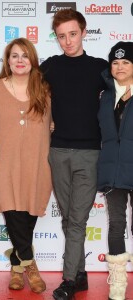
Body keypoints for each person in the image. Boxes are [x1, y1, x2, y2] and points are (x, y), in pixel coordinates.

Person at [39, 9, 108, 300]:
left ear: (83, 32)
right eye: (61, 36)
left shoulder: (100, 67)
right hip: (56, 152)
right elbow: (19, 84)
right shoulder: (51, 66)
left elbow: (124, 93)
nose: (67, 41)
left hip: (89, 154)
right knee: (68, 218)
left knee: (76, 220)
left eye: (72, 34)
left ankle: (68, 280)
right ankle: (80, 275)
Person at [0, 38, 52, 294]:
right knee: (14, 217)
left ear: (33, 59)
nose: (20, 60)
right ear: (7, 60)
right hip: (5, 164)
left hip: (37, 165)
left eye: (25, 55)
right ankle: (31, 268)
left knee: (27, 221)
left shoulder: (45, 90)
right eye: (14, 56)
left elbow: (52, 124)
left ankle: (16, 267)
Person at [97, 41, 133, 300]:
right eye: (115, 62)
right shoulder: (104, 95)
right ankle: (118, 280)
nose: (120, 67)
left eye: (126, 62)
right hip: (112, 169)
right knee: (116, 224)